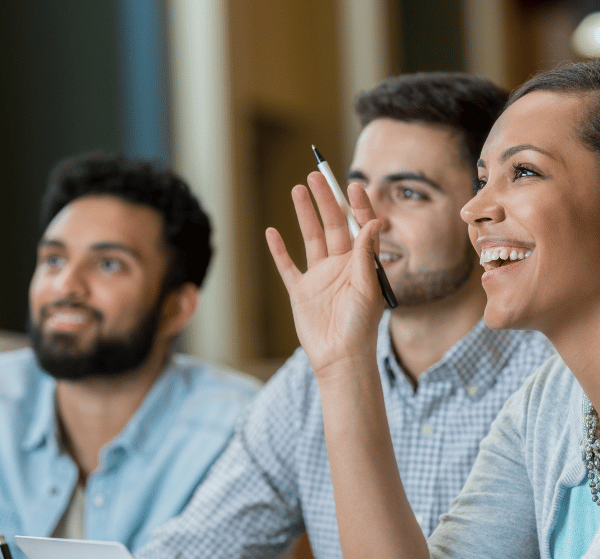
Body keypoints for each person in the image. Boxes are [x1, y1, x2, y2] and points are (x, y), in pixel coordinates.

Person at [136, 73, 554, 559]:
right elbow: (201, 544)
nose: (366, 221)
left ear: (483, 206)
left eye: (409, 193)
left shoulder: (551, 378)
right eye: (355, 188)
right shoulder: (308, 380)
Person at [268, 58, 600, 559]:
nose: (475, 209)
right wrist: (344, 363)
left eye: (525, 171)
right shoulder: (545, 408)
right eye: (483, 179)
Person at [0, 152, 260, 558]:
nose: (66, 285)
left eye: (108, 264)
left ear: (176, 308)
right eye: (54, 259)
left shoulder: (242, 433)